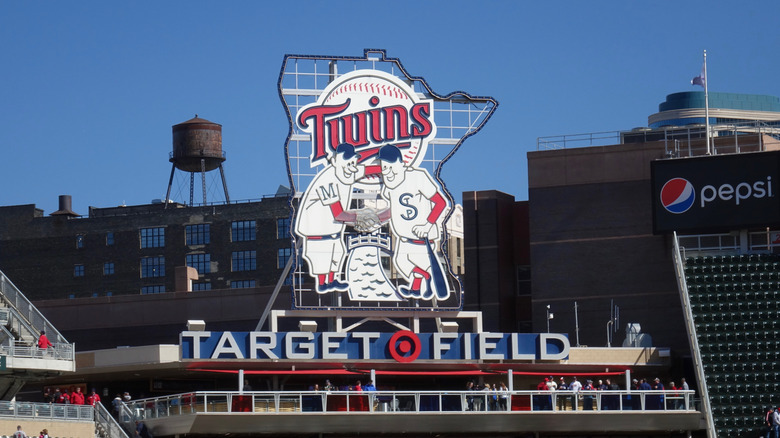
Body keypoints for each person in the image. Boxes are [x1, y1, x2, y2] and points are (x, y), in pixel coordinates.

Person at [295, 143, 378, 294]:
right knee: (321, 261)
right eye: (348, 162)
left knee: (337, 255)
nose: (352, 166)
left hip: (333, 232)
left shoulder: (347, 170)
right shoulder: (326, 180)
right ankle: (322, 284)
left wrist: (393, 168)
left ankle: (332, 281)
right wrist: (360, 217)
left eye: (354, 162)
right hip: (317, 233)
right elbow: (339, 214)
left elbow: (368, 169)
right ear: (335, 161)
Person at [378, 144, 450, 300]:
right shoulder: (389, 186)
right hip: (404, 239)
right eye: (384, 168)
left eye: (390, 167)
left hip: (422, 239)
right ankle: (421, 284)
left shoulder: (417, 177)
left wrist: (427, 224)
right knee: (400, 261)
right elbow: (394, 210)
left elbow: (440, 202)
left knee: (413, 263)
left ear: (401, 163)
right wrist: (376, 218)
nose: (388, 172)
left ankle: (423, 282)